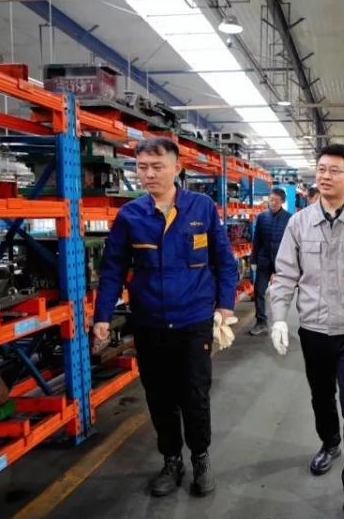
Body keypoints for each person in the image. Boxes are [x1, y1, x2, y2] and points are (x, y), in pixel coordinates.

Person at [93, 137, 238, 498]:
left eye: (157, 167)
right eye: (142, 167)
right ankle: (171, 460)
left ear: (177, 168)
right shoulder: (130, 216)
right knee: (159, 396)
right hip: (150, 322)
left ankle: (200, 458)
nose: (149, 174)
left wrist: (225, 305)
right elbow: (112, 270)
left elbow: (224, 261)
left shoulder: (201, 208)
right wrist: (102, 315)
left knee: (194, 395)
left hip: (193, 321)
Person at [267, 143, 344, 519]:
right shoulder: (299, 224)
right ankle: (330, 441)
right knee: (321, 396)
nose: (325, 176)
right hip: (314, 330)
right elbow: (285, 274)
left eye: (335, 170)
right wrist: (279, 317)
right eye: (321, 169)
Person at [249, 187, 292, 336]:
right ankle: (261, 322)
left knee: (281, 294)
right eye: (271, 200)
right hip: (264, 260)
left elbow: (293, 243)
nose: (273, 203)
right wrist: (253, 259)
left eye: (276, 200)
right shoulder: (262, 217)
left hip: (282, 262)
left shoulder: (290, 219)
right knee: (259, 291)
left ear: (283, 201)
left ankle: (280, 322)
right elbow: (257, 240)